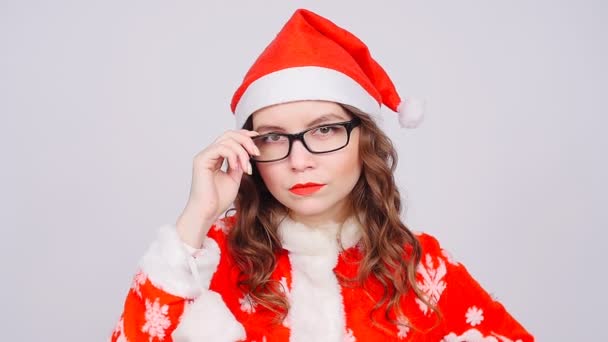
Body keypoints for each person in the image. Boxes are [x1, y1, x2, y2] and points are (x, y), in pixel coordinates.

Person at [110, 8, 533, 342]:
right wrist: (195, 217)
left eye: (325, 129)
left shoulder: (419, 267)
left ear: (364, 140)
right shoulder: (211, 255)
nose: (299, 160)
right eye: (274, 137)